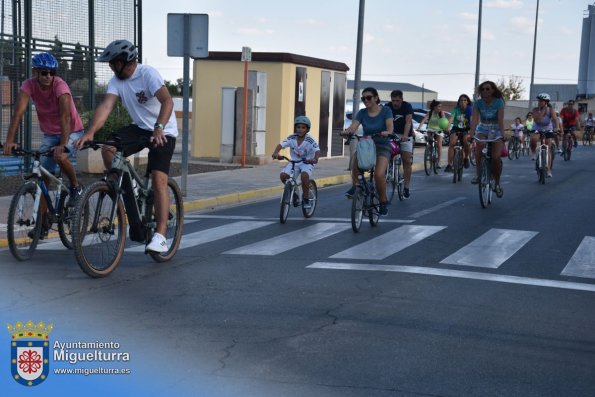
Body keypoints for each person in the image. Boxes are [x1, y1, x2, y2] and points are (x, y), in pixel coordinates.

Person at [75, 39, 178, 253]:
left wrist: (159, 127)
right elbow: (106, 106)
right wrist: (91, 132)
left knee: (159, 180)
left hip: (163, 130)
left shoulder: (147, 74)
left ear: (126, 61)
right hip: (140, 128)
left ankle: (160, 235)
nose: (112, 67)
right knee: (108, 148)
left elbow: (167, 101)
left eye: (114, 63)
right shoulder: (117, 80)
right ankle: (119, 185)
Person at [3, 52, 84, 209]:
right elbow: (18, 113)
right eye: (44, 72)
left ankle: (75, 187)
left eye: (52, 73)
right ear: (35, 72)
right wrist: (9, 141)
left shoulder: (60, 86)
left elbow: (65, 118)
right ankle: (42, 222)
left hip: (73, 130)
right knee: (43, 176)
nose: (48, 76)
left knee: (61, 156)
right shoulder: (28, 85)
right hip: (50, 134)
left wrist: (63, 144)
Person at [341, 87, 393, 216]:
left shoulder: (386, 110)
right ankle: (356, 186)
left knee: (379, 175)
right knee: (355, 160)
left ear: (376, 98)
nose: (366, 100)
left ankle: (382, 201)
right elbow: (353, 127)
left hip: (382, 144)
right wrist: (347, 132)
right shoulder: (362, 112)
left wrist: (386, 133)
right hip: (367, 145)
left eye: (368, 97)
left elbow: (390, 128)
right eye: (363, 98)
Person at [271, 116, 320, 209]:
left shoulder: (310, 140)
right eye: (298, 127)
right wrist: (276, 153)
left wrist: (315, 159)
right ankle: (295, 194)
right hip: (294, 162)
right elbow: (281, 145)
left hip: (307, 162)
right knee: (283, 176)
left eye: (303, 127)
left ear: (307, 129)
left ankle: (305, 199)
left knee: (304, 176)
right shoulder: (291, 138)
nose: (300, 130)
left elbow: (317, 150)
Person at [469, 80, 505, 197]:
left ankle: (498, 184)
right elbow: (474, 119)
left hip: (496, 129)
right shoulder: (478, 103)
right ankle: (479, 175)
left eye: (488, 89)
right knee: (478, 148)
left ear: (493, 90)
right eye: (483, 89)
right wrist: (471, 134)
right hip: (483, 128)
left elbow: (500, 120)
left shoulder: (499, 102)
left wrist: (503, 134)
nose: (485, 91)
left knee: (495, 157)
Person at [384, 89, 413, 199]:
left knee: (406, 160)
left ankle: (406, 187)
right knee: (386, 155)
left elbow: (408, 121)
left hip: (405, 135)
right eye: (393, 100)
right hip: (392, 134)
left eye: (397, 100)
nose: (395, 103)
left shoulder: (407, 106)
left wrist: (405, 136)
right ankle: (388, 172)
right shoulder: (387, 107)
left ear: (402, 99)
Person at [529, 93, 561, 178]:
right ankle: (533, 152)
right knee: (533, 139)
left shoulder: (551, 110)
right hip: (537, 127)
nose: (539, 102)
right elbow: (537, 120)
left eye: (541, 101)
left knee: (548, 147)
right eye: (539, 100)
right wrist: (543, 110)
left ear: (546, 102)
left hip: (547, 128)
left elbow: (554, 119)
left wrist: (557, 128)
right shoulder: (535, 109)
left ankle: (549, 169)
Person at [445, 94, 473, 172]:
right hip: (456, 128)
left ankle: (466, 158)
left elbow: (471, 120)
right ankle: (449, 164)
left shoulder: (470, 109)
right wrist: (447, 127)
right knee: (452, 144)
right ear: (459, 102)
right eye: (461, 100)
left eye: (465, 100)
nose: (463, 102)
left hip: (466, 129)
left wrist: (471, 130)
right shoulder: (455, 109)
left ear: (467, 102)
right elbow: (451, 119)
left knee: (465, 141)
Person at [418, 100, 446, 169]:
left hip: (439, 130)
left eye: (440, 107)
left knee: (439, 145)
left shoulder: (441, 113)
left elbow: (444, 121)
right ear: (434, 107)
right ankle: (430, 152)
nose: (440, 108)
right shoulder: (430, 113)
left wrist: (445, 127)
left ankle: (438, 162)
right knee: (429, 143)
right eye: (438, 106)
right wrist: (419, 127)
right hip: (430, 129)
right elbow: (424, 120)